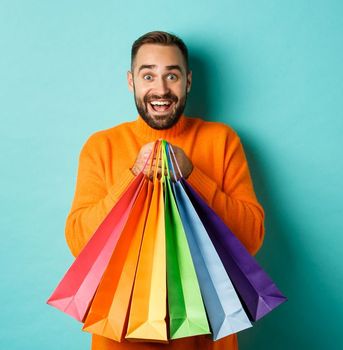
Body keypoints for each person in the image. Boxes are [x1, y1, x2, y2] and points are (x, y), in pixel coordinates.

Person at [64, 30, 265, 350]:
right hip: (121, 335)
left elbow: (251, 237)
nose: (160, 89)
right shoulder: (101, 146)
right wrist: (131, 176)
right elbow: (79, 242)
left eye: (172, 75)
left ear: (188, 81)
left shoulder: (223, 141)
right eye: (148, 75)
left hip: (206, 336)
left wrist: (193, 174)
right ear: (131, 81)